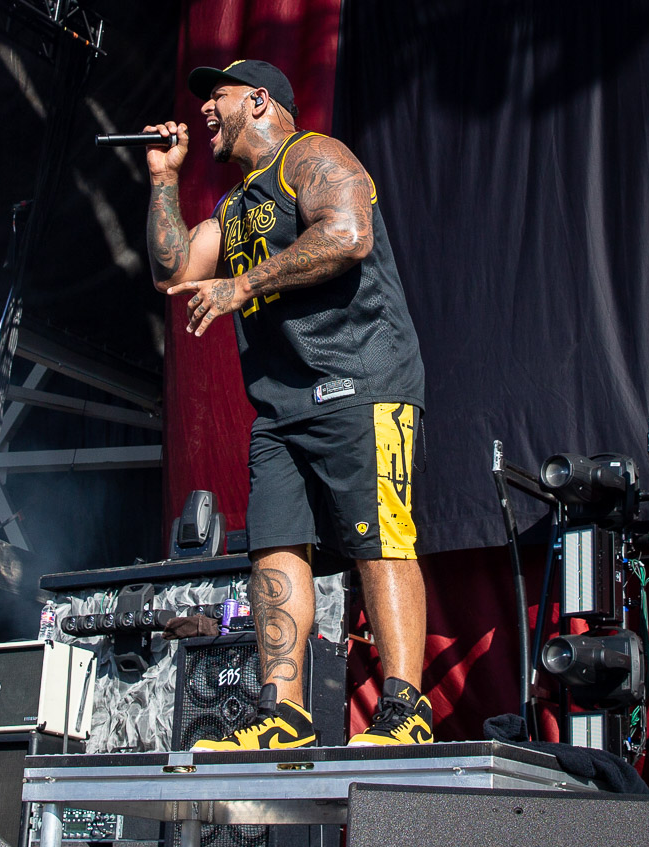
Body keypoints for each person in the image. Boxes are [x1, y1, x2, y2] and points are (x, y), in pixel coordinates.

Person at [145, 59, 432, 748]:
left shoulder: (315, 157)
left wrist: (243, 289)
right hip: (280, 407)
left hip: (363, 382)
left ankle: (406, 711)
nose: (205, 111)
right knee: (274, 550)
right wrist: (163, 180)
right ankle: (284, 713)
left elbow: (346, 234)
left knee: (381, 539)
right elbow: (172, 272)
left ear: (257, 100)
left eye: (216, 97)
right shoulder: (236, 207)